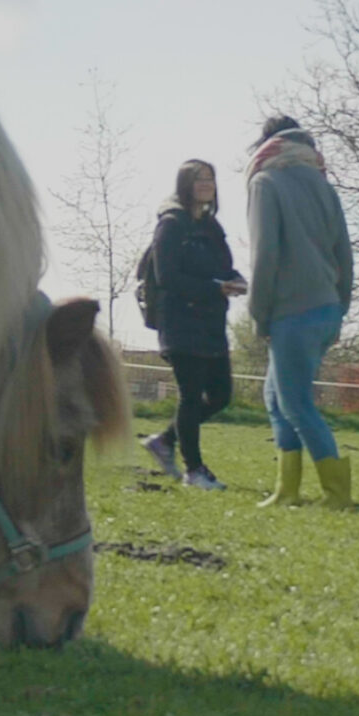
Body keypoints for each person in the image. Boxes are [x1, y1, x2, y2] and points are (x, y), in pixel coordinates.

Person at [245, 116, 355, 510]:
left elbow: (265, 256)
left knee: (295, 403)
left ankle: (336, 492)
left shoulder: (265, 183)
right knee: (275, 396)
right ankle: (286, 489)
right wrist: (341, 307)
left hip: (292, 310)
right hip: (326, 307)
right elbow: (344, 253)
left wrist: (259, 314)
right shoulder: (324, 186)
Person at [139, 160, 246, 490]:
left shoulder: (212, 227)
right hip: (180, 322)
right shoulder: (170, 226)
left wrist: (235, 280)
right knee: (190, 394)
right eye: (199, 179)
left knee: (220, 395)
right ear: (184, 184)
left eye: (211, 179)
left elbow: (225, 267)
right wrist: (213, 288)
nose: (206, 184)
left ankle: (165, 440)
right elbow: (167, 276)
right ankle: (195, 470)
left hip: (211, 323)